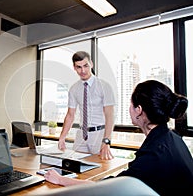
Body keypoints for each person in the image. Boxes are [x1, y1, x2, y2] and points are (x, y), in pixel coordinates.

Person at [45, 80, 193, 195]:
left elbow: (104, 190)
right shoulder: (172, 138)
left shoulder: (154, 154)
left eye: (131, 103)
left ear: (139, 110)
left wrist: (60, 179)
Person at [58, 51, 115, 160]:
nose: (83, 71)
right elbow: (70, 115)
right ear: (74, 67)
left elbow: (110, 115)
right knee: (75, 166)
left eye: (86, 66)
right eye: (79, 67)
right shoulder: (74, 89)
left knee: (98, 169)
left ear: (91, 64)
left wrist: (106, 140)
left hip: (99, 135)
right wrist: (62, 137)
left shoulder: (104, 86)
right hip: (81, 135)